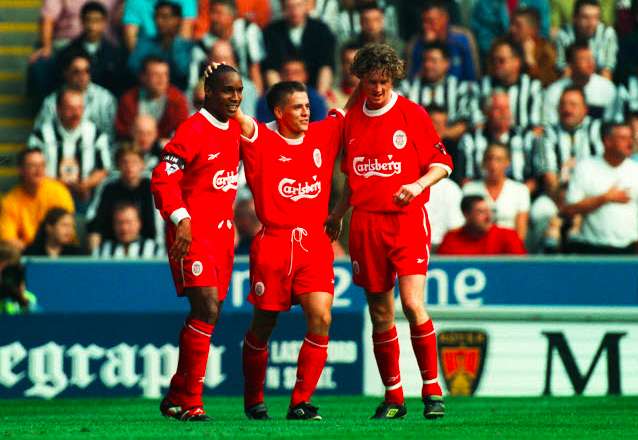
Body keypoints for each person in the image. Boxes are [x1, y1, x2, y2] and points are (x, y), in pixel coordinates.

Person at [327, 43, 453, 419]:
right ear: (360, 81)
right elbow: (353, 179)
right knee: (380, 312)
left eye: (384, 81)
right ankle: (394, 396)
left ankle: (432, 390)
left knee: (412, 304)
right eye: (371, 81)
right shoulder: (351, 121)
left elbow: (443, 163)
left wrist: (417, 185)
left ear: (393, 79)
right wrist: (337, 215)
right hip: (365, 223)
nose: (378, 88)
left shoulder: (411, 113)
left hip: (406, 220)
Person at [219, 78, 346, 420]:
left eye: (307, 106)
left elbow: (351, 110)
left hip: (314, 243)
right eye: (297, 107)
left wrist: (371, 68)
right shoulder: (261, 137)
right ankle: (253, 398)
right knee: (264, 324)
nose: (306, 112)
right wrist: (220, 81)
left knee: (321, 316)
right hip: (274, 243)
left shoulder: (323, 133)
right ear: (278, 111)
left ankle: (300, 402)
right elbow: (235, 113)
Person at [151, 64, 243, 421]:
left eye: (239, 90)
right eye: (227, 90)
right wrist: (181, 219)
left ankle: (176, 393)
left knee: (208, 313)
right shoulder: (192, 129)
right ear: (208, 93)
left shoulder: (235, 128)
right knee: (206, 309)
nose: (235, 97)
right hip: (191, 235)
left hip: (222, 236)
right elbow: (162, 177)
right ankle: (192, 402)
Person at [563, 123, 638, 254]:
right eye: (623, 138)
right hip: (593, 249)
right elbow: (569, 210)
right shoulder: (586, 168)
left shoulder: (635, 170)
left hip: (630, 250)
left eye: (631, 137)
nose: (630, 143)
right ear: (607, 141)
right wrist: (605, 198)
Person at [27, 89, 112, 205]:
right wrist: (57, 185)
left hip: (85, 197)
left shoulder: (96, 134)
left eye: (79, 108)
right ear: (58, 109)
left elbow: (104, 169)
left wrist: (85, 184)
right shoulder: (40, 136)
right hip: (49, 196)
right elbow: (30, 168)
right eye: (70, 108)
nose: (76, 114)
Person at [86, 145, 161, 252]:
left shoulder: (153, 186)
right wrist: (95, 252)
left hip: (149, 245)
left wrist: (157, 249)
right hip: (111, 244)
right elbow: (95, 221)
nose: (129, 167)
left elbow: (159, 224)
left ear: (142, 165)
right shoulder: (108, 187)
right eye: (125, 162)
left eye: (134, 162)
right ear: (118, 165)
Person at [402, 41, 477, 144]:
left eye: (433, 61)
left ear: (446, 63)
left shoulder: (460, 88)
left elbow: (465, 123)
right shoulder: (408, 87)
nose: (427, 65)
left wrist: (440, 135)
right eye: (425, 60)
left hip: (450, 145)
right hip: (414, 143)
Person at [0, 149, 74, 250]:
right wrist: (33, 252)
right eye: (32, 166)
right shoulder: (10, 201)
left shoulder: (59, 192)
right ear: (20, 170)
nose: (39, 170)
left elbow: (67, 232)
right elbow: (7, 238)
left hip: (59, 252)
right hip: (25, 253)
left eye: (42, 165)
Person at [459, 91, 537, 188]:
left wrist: (520, 193)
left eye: (507, 108)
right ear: (487, 112)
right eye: (498, 109)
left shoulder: (525, 137)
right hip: (480, 192)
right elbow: (465, 179)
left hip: (519, 192)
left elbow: (534, 179)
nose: (503, 113)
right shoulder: (470, 139)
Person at [35, 49, 117, 137]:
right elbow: (39, 134)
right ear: (65, 73)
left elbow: (111, 136)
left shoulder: (105, 99)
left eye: (87, 71)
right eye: (76, 72)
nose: (83, 76)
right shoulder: (51, 102)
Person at [190, 0, 265, 95]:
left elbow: (255, 70)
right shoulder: (203, 44)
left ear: (232, 16)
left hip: (246, 88)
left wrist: (256, 98)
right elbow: (195, 81)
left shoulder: (247, 31)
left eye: (218, 13)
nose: (213, 18)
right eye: (212, 12)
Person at [263, 0, 336, 95]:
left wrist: (319, 98)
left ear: (307, 6)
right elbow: (271, 69)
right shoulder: (272, 32)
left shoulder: (322, 30)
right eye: (290, 6)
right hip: (283, 91)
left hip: (315, 89)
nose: (295, 11)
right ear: (283, 8)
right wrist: (280, 97)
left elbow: (326, 66)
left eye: (299, 5)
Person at [56, 1, 128, 96]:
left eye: (97, 21)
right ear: (81, 21)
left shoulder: (115, 54)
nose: (92, 26)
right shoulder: (68, 53)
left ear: (104, 22)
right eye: (88, 20)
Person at [463, 144, 531, 240]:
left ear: (508, 162)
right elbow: (463, 224)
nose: (493, 164)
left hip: (508, 244)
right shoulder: (470, 189)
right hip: (476, 243)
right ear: (483, 162)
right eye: (489, 158)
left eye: (499, 159)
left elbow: (521, 231)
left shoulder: (520, 190)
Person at [116, 56, 190, 141]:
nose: (161, 79)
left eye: (165, 74)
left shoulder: (177, 100)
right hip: (134, 145)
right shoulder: (128, 100)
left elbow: (183, 134)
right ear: (143, 77)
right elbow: (122, 132)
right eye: (155, 75)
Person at [475, 38, 543, 129]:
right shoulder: (483, 85)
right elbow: (477, 124)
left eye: (501, 60)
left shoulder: (532, 87)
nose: (496, 64)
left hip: (523, 136)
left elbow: (537, 127)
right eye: (494, 60)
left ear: (516, 62)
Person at [543, 42, 617, 125]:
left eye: (591, 58)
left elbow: (611, 122)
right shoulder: (554, 91)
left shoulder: (607, 88)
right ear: (571, 64)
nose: (590, 63)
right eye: (583, 59)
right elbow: (550, 122)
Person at [127, 1, 193, 91]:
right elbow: (133, 67)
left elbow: (182, 71)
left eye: (164, 17)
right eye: (156, 17)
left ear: (177, 20)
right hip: (147, 90)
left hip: (178, 92)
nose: (159, 21)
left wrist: (174, 44)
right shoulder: (146, 42)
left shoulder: (186, 46)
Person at [406, 0, 480, 82]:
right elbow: (410, 80)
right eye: (423, 21)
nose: (425, 26)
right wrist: (428, 47)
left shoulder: (463, 38)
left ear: (444, 19)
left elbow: (473, 77)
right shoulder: (415, 43)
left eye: (431, 21)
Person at [437, 195, 527, 255]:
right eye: (481, 212)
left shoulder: (508, 236)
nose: (488, 217)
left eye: (489, 211)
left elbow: (522, 268)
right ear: (466, 214)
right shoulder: (451, 239)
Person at [555, 0, 618, 79]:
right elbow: (564, 68)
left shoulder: (607, 33)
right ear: (574, 18)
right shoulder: (564, 34)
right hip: (573, 80)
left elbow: (607, 70)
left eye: (595, 17)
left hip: (600, 81)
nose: (591, 23)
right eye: (585, 17)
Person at [256, 58, 328, 122]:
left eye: (296, 73)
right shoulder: (268, 100)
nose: (291, 77)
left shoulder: (315, 99)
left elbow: (320, 127)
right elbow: (265, 127)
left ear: (305, 75)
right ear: (280, 75)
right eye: (286, 73)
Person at [93, 202, 164, 258]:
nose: (124, 228)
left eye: (129, 222)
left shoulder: (155, 250)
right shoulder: (102, 251)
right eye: (120, 223)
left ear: (139, 223)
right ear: (113, 225)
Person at [509, 7, 558, 87]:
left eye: (518, 25)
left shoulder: (546, 50)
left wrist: (530, 60)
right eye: (511, 24)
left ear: (533, 29)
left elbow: (547, 82)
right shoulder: (505, 46)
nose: (512, 29)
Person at [122, 0, 197, 52]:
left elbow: (184, 40)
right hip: (146, 59)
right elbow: (132, 45)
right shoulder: (134, 2)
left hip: (177, 56)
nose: (160, 21)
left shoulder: (186, 1)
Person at [425, 178, 465, 251]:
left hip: (442, 247)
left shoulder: (450, 188)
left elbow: (457, 225)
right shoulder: (451, 187)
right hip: (414, 244)